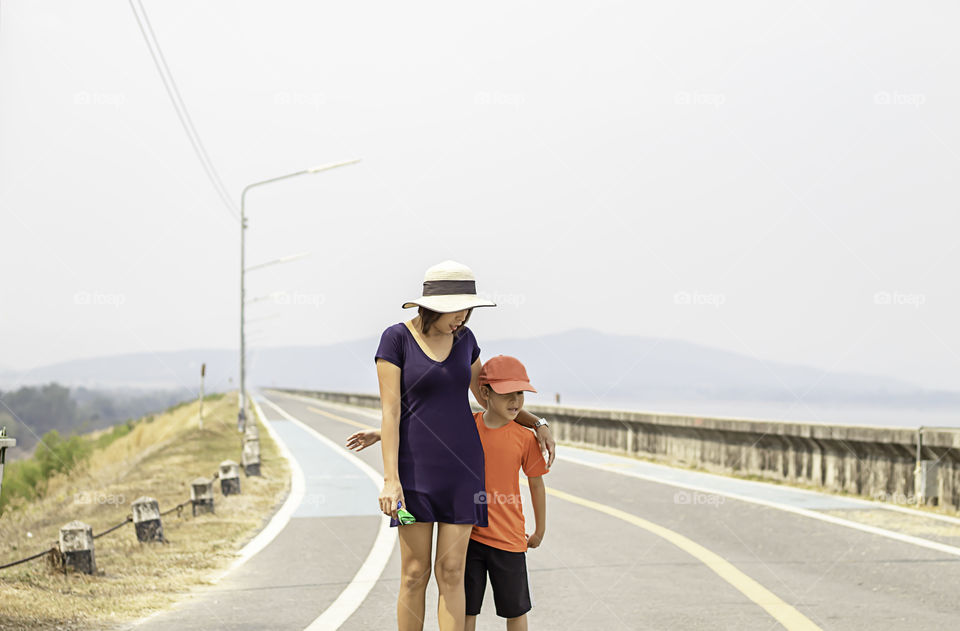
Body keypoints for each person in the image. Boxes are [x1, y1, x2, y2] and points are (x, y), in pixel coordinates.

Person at [369, 260, 555, 631]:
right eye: (459, 309)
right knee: (414, 572)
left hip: (464, 474)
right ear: (434, 304)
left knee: (452, 571)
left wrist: (538, 423)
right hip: (413, 473)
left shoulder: (466, 342)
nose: (465, 318)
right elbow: (390, 414)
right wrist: (391, 480)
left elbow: (490, 399)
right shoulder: (396, 339)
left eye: (469, 309)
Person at [347, 354, 548, 631]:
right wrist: (381, 433)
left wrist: (539, 530)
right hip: (472, 535)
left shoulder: (526, 439)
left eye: (520, 394)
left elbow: (537, 484)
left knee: (515, 609)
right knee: (466, 609)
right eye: (507, 394)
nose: (515, 402)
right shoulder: (469, 426)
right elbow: (427, 428)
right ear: (485, 393)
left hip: (511, 539)